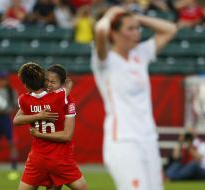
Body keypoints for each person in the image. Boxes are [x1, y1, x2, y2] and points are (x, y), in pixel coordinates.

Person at [91, 6, 177, 190]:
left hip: (148, 139)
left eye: (137, 28)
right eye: (130, 28)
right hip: (123, 140)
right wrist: (110, 14)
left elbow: (170, 29)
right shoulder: (104, 61)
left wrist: (136, 17)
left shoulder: (141, 54)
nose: (137, 32)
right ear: (114, 33)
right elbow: (99, 30)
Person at [15, 64, 88, 190]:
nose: (48, 84)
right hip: (58, 158)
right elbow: (67, 135)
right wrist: (39, 115)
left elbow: (16, 120)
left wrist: (38, 132)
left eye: (52, 82)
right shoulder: (63, 98)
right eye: (46, 80)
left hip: (40, 157)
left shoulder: (25, 99)